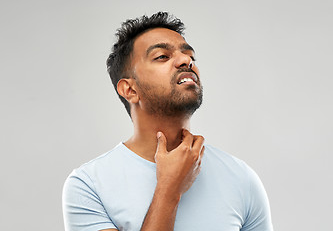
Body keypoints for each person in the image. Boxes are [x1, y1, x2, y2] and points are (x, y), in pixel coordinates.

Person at [62, 12, 273, 231]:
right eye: (162, 56)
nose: (186, 60)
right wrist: (169, 188)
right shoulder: (88, 186)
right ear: (130, 89)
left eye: (189, 55)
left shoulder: (242, 178)